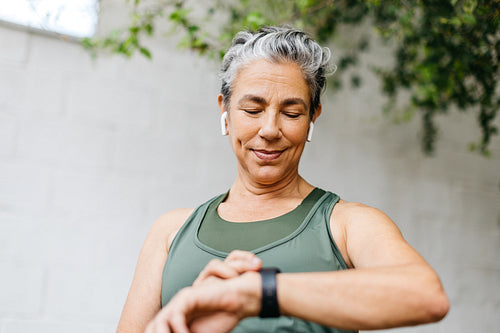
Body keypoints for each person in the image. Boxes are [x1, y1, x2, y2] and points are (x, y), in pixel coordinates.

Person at [116, 26, 449, 333]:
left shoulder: (348, 224)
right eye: (252, 109)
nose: (270, 130)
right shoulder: (171, 232)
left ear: (312, 117)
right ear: (225, 111)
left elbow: (426, 295)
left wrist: (260, 293)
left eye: (292, 113)